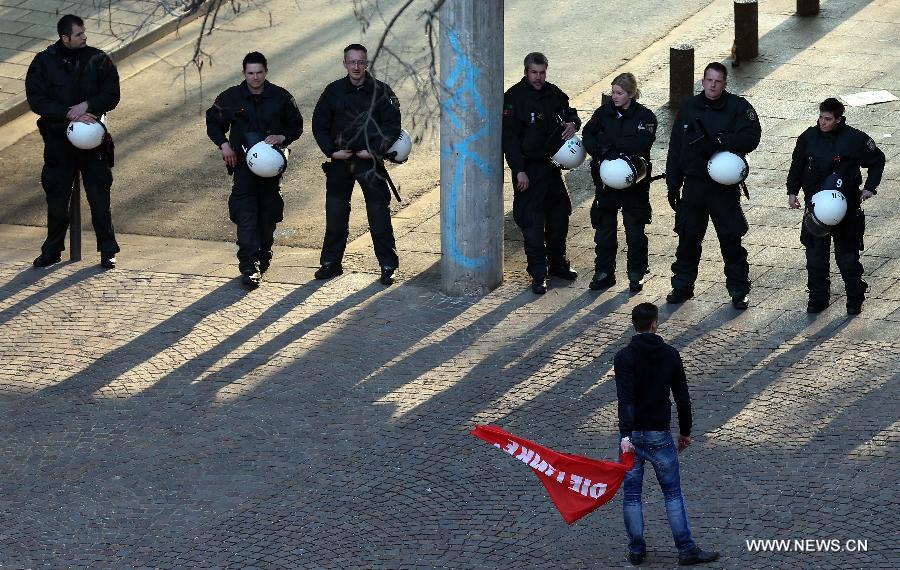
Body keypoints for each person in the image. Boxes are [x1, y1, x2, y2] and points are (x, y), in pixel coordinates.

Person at [615, 302, 719, 566]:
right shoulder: (670, 355)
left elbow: (625, 399)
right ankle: (686, 549)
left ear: (633, 324)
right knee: (672, 493)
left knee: (632, 495)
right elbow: (682, 398)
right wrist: (685, 432)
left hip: (632, 436)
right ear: (655, 323)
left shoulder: (624, 357)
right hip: (659, 433)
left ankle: (636, 550)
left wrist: (626, 434)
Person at [25, 14, 120, 269]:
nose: (84, 37)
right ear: (64, 37)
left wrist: (88, 105)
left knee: (99, 197)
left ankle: (107, 250)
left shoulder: (98, 59)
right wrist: (68, 112)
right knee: (57, 198)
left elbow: (112, 93)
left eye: (84, 32)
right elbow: (36, 99)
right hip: (58, 140)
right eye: (78, 34)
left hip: (93, 141)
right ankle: (52, 250)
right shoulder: (44, 63)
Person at [665, 62, 761, 309]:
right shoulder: (688, 108)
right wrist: (672, 184)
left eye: (718, 81)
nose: (713, 85)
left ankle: (738, 290)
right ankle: (682, 286)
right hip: (694, 186)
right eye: (709, 80)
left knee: (730, 240)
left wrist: (721, 141)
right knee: (687, 239)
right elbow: (675, 148)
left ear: (725, 83)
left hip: (723, 189)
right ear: (703, 81)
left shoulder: (738, 107)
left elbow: (752, 136)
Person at [206, 51, 303, 288]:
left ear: (266, 72)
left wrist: (283, 136)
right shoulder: (231, 97)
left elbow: (296, 126)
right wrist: (224, 145)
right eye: (251, 73)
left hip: (271, 168)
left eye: (259, 72)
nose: (255, 77)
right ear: (244, 73)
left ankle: (264, 253)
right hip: (242, 165)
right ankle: (248, 264)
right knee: (246, 213)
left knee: (269, 211)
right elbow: (213, 122)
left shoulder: (281, 97)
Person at [312, 44, 402, 286]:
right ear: (345, 64)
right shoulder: (333, 91)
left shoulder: (380, 91)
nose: (356, 66)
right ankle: (330, 263)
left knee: (378, 215)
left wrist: (374, 150)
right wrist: (331, 151)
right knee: (336, 215)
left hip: (369, 162)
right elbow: (319, 124)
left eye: (360, 62)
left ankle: (387, 266)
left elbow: (392, 125)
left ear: (366, 63)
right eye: (351, 62)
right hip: (340, 162)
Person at [786, 98, 885, 315]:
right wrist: (792, 191)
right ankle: (818, 298)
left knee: (848, 259)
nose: (822, 122)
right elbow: (797, 165)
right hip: (816, 206)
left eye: (828, 119)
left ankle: (855, 297)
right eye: (821, 117)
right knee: (815, 258)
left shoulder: (855, 139)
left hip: (846, 207)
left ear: (839, 120)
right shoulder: (808, 138)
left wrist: (870, 187)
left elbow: (877, 160)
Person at [502, 52, 581, 295]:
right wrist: (519, 171)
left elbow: (570, 112)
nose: (538, 77)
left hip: (551, 166)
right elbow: (509, 139)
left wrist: (573, 124)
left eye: (542, 72)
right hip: (529, 168)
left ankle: (558, 265)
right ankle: (538, 273)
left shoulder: (553, 92)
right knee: (532, 224)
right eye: (534, 72)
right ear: (526, 71)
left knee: (559, 217)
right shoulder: (514, 98)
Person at [582, 73, 658, 292]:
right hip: (606, 185)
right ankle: (604, 272)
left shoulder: (645, 117)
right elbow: (588, 134)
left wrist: (609, 145)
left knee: (635, 232)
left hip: (635, 185)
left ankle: (636, 273)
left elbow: (642, 144)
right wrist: (600, 150)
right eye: (613, 92)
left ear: (631, 94)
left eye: (619, 93)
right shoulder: (603, 113)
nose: (614, 97)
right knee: (604, 230)